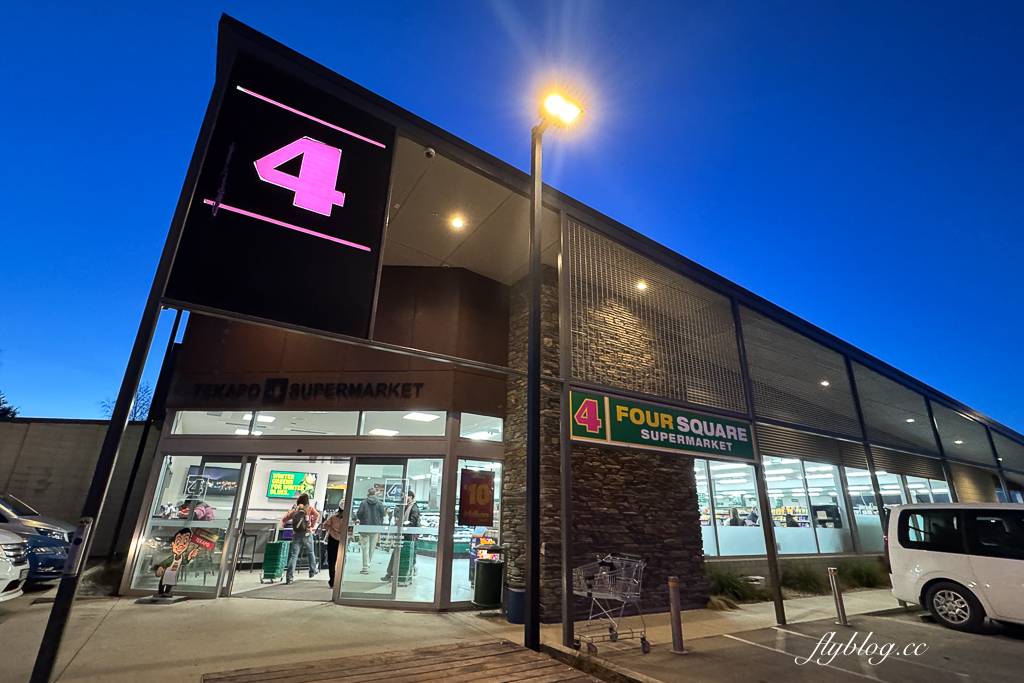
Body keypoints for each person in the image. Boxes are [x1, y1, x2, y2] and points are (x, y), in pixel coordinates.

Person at [381, 490, 420, 582]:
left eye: (407, 497)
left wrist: (403, 524)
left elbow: (413, 522)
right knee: (396, 553)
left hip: (409, 536)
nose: (405, 499)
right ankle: (390, 574)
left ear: (411, 497)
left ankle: (404, 574)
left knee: (408, 555)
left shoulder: (414, 508)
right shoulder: (402, 506)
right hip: (401, 535)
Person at [283, 493, 320, 584]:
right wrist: (312, 525)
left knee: (294, 555)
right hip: (307, 533)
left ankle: (289, 578)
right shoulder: (309, 508)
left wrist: (290, 511)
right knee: (310, 553)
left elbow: (284, 520)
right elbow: (317, 515)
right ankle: (312, 571)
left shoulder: (295, 509)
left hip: (296, 534)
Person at [153, 528, 199, 597]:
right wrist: (161, 568)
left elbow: (184, 562)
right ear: (173, 544)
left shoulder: (181, 558)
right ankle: (160, 592)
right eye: (178, 542)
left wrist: (190, 556)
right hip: (167, 573)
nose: (180, 546)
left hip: (174, 574)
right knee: (163, 582)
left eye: (185, 542)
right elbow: (165, 563)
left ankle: (167, 592)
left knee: (170, 583)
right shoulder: (171, 558)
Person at [355, 487, 385, 575]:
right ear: (374, 494)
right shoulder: (379, 503)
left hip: (365, 527)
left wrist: (363, 520)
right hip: (375, 528)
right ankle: (368, 564)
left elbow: (359, 514)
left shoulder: (363, 503)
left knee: (365, 547)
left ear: (368, 494)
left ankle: (365, 567)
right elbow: (382, 514)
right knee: (372, 548)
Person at [322, 505, 345, 588]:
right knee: (341, 561)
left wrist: (332, 530)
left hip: (333, 539)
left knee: (332, 561)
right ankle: (339, 580)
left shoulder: (333, 517)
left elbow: (325, 525)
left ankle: (332, 581)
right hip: (343, 540)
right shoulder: (347, 518)